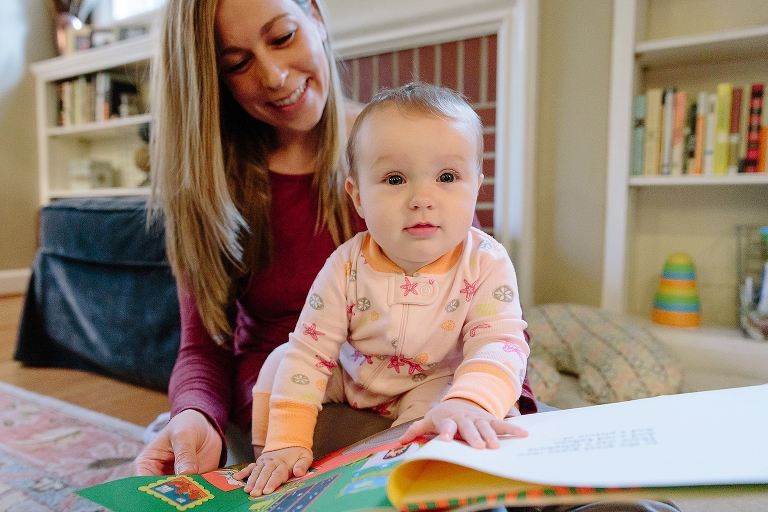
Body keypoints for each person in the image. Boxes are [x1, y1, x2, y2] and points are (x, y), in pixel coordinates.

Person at [131, 0, 539, 479]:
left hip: (435, 385)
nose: (277, 76)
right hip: (296, 399)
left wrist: (493, 403)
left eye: (282, 37)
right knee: (427, 469)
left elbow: (492, 323)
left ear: (315, 17)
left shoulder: (406, 146)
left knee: (523, 442)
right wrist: (195, 415)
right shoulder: (215, 187)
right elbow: (209, 347)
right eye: (237, 63)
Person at [236, 82, 531, 496]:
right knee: (281, 362)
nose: (422, 198)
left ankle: (398, 483)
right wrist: (289, 439)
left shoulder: (486, 261)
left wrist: (471, 402)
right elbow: (311, 352)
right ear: (357, 197)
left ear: (476, 186)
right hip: (353, 373)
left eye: (447, 176)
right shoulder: (345, 266)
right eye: (395, 179)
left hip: (431, 382)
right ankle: (274, 460)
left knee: (440, 427)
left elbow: (500, 343)